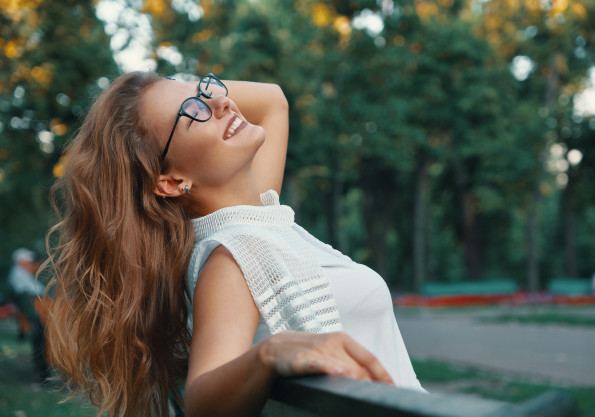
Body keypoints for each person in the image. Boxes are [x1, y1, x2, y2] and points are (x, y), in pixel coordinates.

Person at [44, 71, 425, 417]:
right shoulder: (230, 256)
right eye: (193, 110)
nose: (221, 101)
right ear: (171, 181)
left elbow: (273, 100)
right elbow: (203, 405)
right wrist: (270, 354)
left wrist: (193, 94)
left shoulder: (260, 213)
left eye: (206, 87)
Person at [7, 248, 48, 381]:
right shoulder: (19, 275)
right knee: (40, 342)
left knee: (41, 343)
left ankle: (43, 374)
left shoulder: (23, 275)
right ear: (22, 263)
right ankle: (42, 375)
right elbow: (34, 294)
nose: (34, 265)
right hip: (35, 317)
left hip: (36, 314)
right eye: (30, 262)